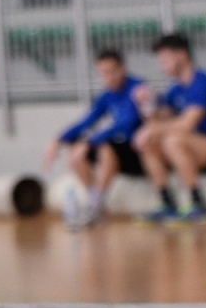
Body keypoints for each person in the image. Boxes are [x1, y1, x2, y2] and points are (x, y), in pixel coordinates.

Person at [132, 33, 206, 223]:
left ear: (182, 55)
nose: (162, 65)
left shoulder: (201, 82)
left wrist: (153, 129)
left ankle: (198, 204)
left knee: (173, 140)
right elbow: (160, 117)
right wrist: (147, 103)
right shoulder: (176, 88)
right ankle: (166, 203)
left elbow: (187, 124)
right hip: (199, 147)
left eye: (165, 59)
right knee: (149, 143)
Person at [43, 49, 144, 229]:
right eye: (103, 73)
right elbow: (86, 121)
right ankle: (93, 201)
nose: (108, 77)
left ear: (123, 69)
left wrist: (90, 142)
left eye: (112, 71)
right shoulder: (107, 96)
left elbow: (127, 123)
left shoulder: (138, 89)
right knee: (74, 149)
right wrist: (58, 139)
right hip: (120, 149)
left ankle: (95, 204)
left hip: (140, 152)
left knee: (104, 146)